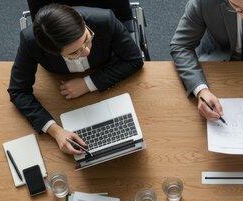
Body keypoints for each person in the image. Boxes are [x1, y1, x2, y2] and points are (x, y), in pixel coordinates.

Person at [8, 4, 144, 155]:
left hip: (107, 77)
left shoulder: (105, 20)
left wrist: (88, 83)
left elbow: (134, 60)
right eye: (74, 52)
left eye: (87, 38)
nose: (86, 51)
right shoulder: (30, 42)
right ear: (52, 52)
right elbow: (18, 91)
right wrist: (56, 131)